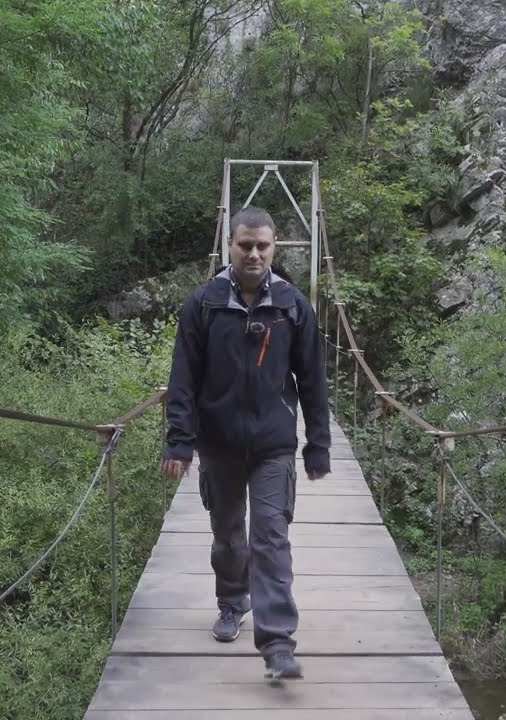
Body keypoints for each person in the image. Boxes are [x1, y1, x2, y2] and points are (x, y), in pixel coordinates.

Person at [160, 207, 331, 680]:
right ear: (230, 246)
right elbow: (183, 379)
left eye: (262, 246)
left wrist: (318, 445)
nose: (254, 254)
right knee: (229, 537)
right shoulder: (203, 304)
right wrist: (179, 443)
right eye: (245, 245)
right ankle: (233, 603)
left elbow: (313, 380)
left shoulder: (293, 305)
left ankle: (278, 644)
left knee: (270, 538)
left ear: (274, 249)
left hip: (274, 444)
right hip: (219, 443)